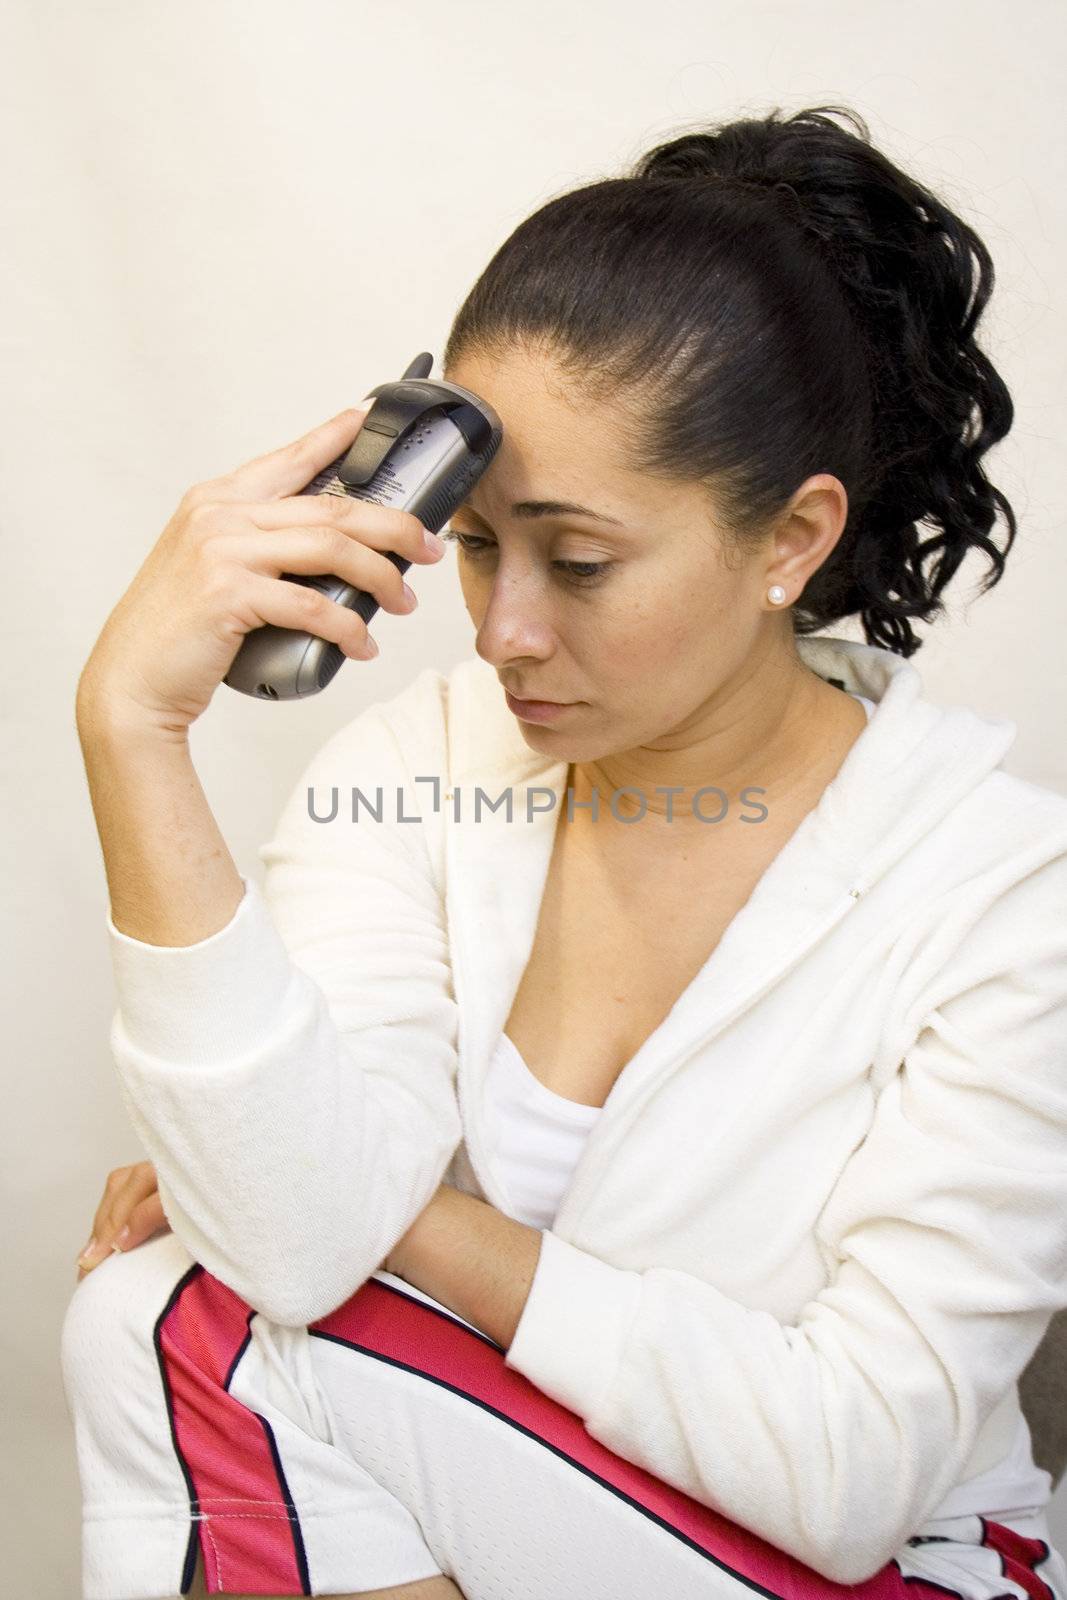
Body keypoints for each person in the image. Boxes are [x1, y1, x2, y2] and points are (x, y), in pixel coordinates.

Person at [61, 104, 1067, 1600]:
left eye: (579, 560)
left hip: (911, 1570)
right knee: (178, 1307)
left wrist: (381, 1204)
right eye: (474, 543)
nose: (503, 629)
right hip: (552, 1510)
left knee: (169, 1319)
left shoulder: (1004, 887)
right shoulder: (419, 769)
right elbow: (289, 1247)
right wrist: (131, 725)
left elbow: (855, 1466)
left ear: (792, 540)